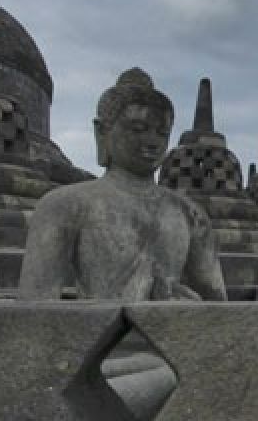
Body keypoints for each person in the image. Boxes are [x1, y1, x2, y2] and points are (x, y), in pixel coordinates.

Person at [19, 67, 226, 302]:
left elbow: (218, 306)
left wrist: (188, 309)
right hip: (95, 335)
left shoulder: (191, 216)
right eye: (138, 129)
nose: (152, 142)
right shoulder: (64, 205)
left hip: (172, 334)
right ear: (102, 132)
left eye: (162, 133)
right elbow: (34, 308)